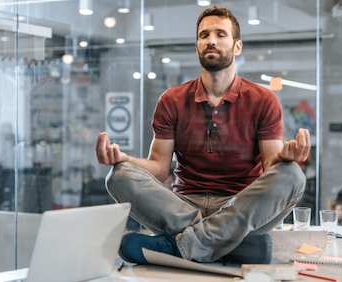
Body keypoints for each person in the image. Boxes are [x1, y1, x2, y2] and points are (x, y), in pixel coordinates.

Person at [96, 6, 310, 265]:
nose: (211, 40)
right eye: (204, 35)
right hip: (182, 205)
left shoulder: (264, 100)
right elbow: (159, 169)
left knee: (292, 175)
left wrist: (285, 159)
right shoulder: (171, 100)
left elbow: (269, 169)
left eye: (221, 34)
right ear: (197, 46)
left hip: (240, 203)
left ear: (237, 47)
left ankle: (180, 247)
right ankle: (229, 244)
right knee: (118, 175)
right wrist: (125, 159)